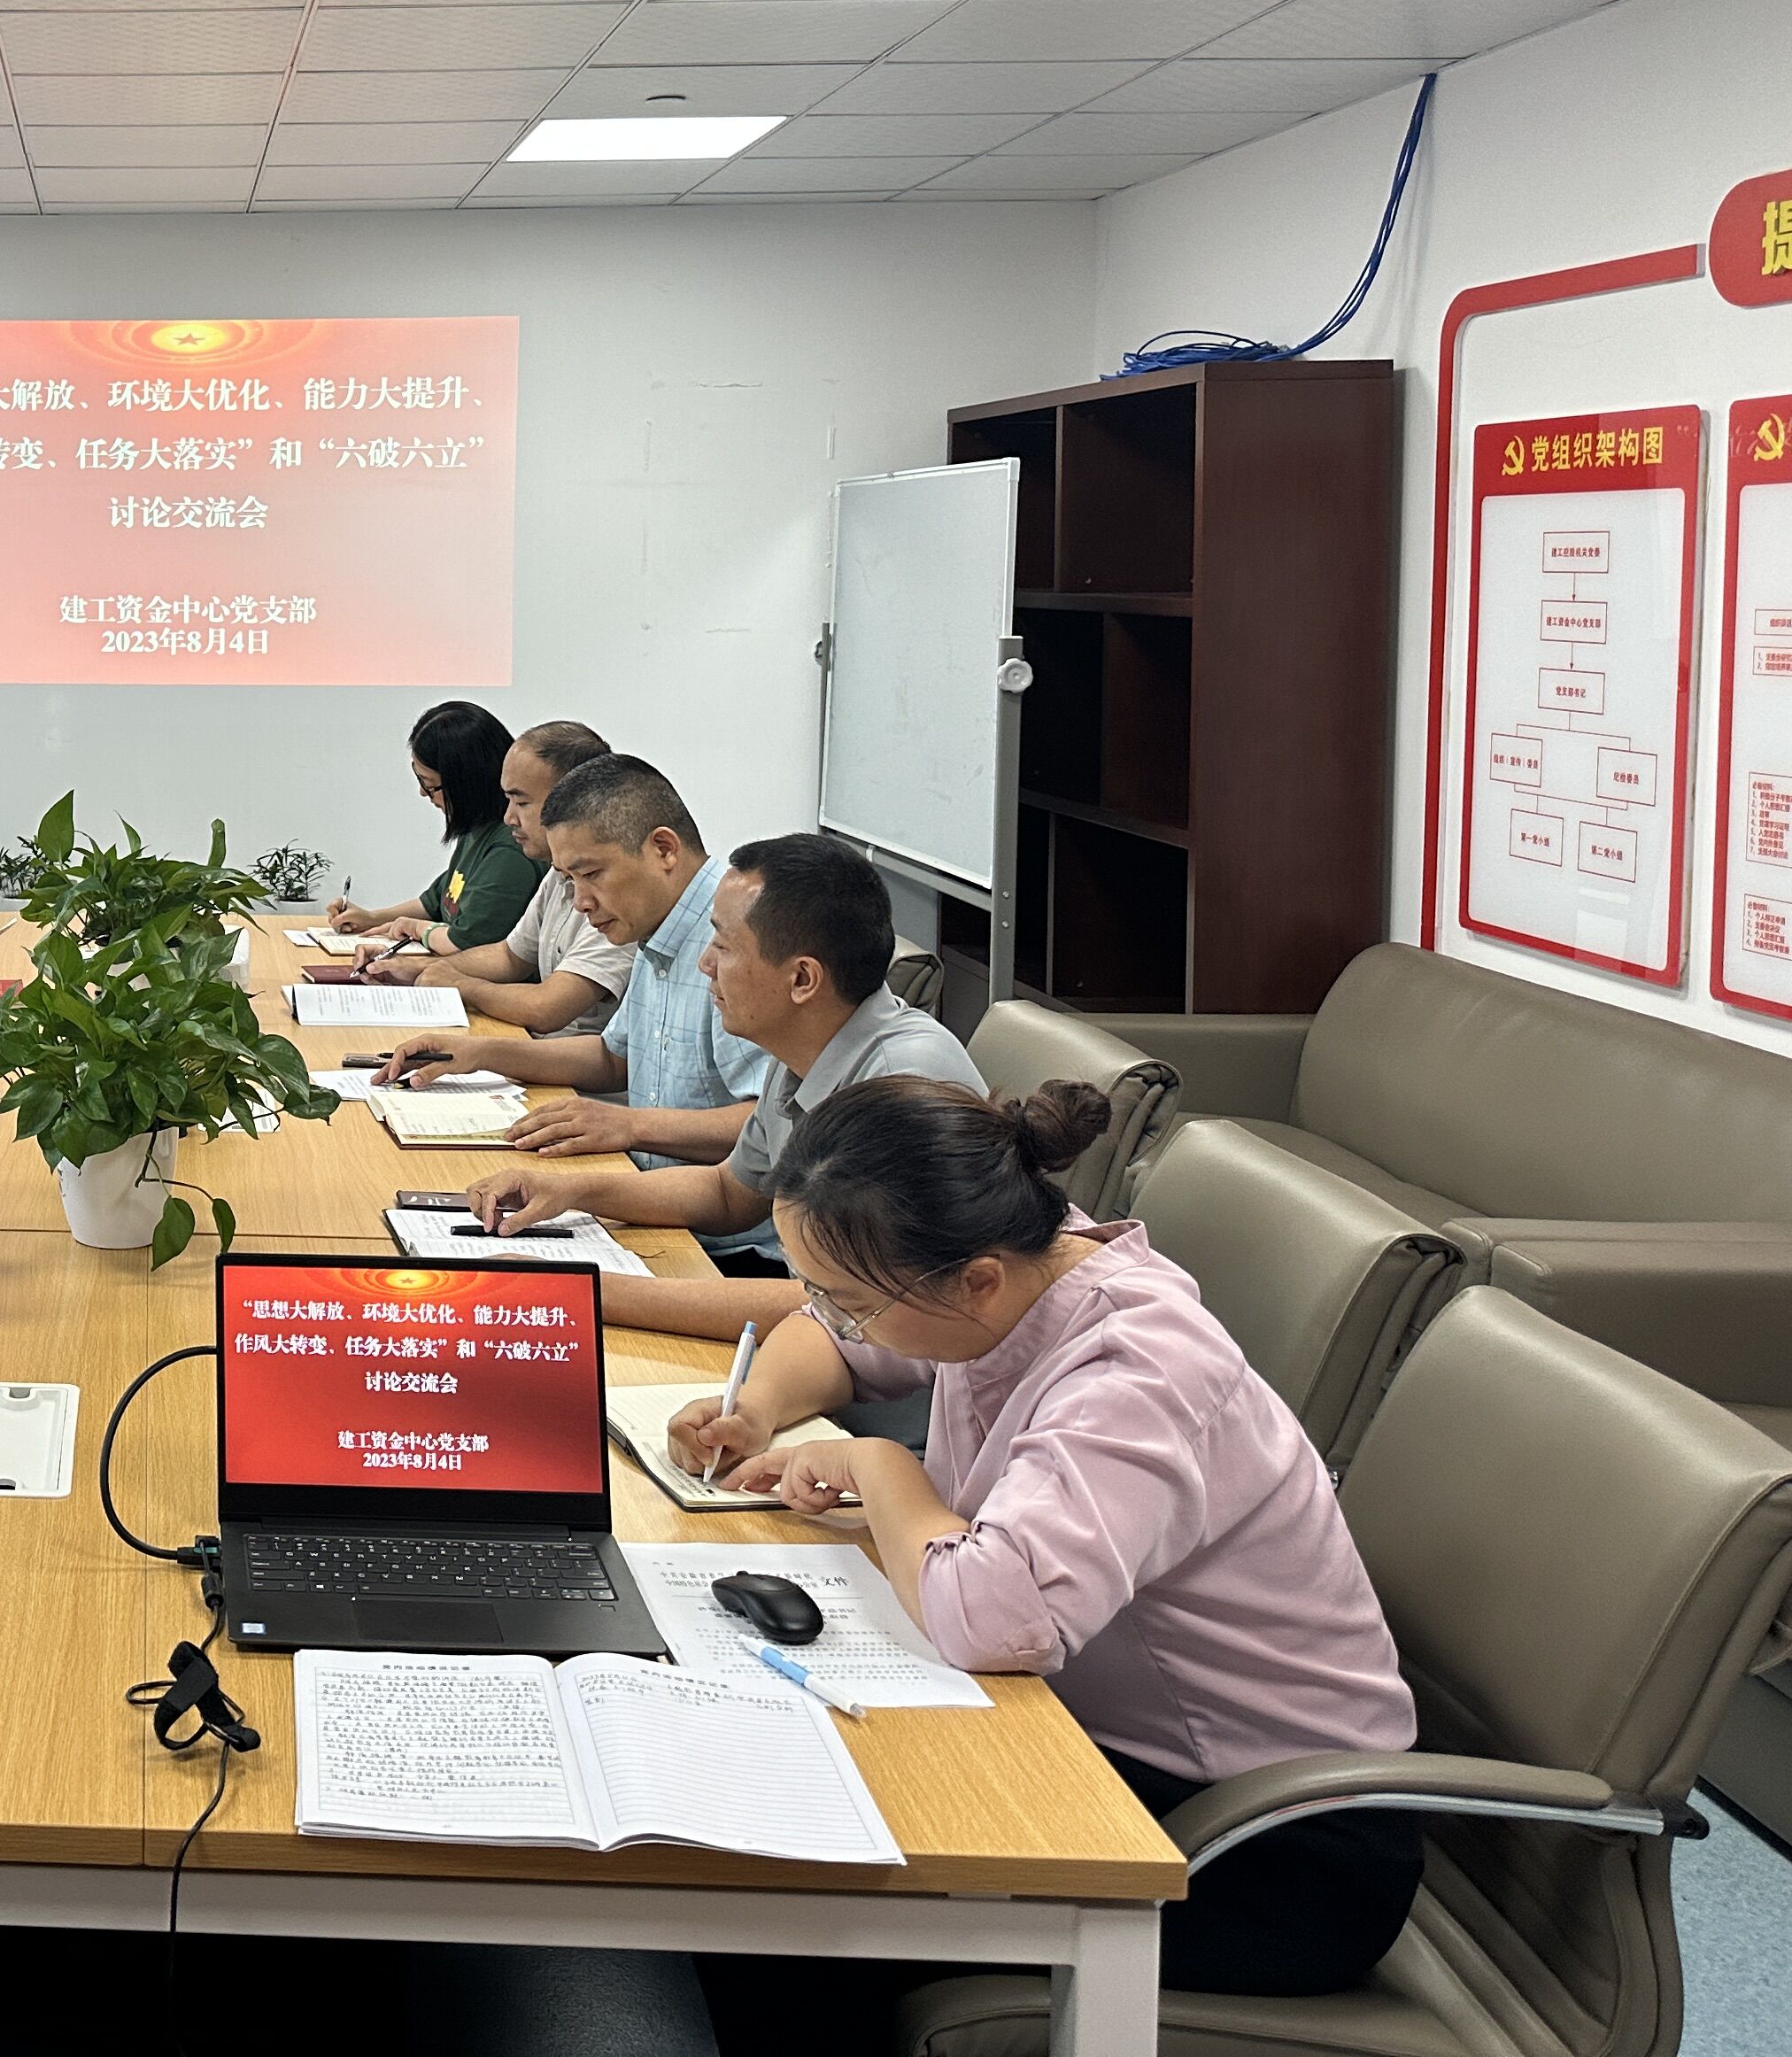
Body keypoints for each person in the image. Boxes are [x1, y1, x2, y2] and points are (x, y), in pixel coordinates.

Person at [669, 1074, 1421, 2000]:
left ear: (977, 1282)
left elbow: (991, 1619)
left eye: (847, 1298)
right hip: (1086, 1739)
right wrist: (756, 1409)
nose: (832, 1315)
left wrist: (879, 1465)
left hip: (1265, 1843)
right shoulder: (1012, 1265)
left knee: (793, 1910)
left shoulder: (1139, 1371)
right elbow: (845, 1342)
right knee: (774, 1811)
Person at [462, 831, 983, 1339]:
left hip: (878, 1370)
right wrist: (573, 1192)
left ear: (802, 979)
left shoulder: (902, 1083)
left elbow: (853, 1309)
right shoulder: (805, 1045)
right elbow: (729, 1192)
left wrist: (585, 1291)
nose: (705, 964)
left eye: (725, 947)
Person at [379, 752, 768, 1164]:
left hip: (698, 1204)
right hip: (644, 1181)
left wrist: (630, 1125)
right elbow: (613, 1059)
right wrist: (478, 1054)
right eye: (570, 879)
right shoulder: (656, 922)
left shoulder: (739, 937)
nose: (581, 903)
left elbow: (774, 1127)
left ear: (663, 849)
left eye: (592, 874)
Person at [348, 718, 630, 1034]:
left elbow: (546, 1008)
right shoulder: (557, 874)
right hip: (536, 1043)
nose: (509, 817)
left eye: (521, 802)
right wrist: (416, 969)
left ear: (573, 804)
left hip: (561, 1057)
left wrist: (459, 984)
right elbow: (509, 956)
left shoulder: (619, 895)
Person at [324, 700, 542, 955]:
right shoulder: (476, 829)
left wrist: (416, 931)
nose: (422, 793)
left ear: (466, 782)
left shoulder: (510, 849)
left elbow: (466, 944)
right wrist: (371, 918)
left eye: (429, 785)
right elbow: (434, 903)